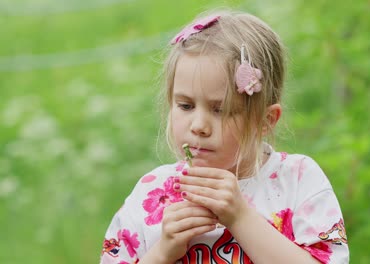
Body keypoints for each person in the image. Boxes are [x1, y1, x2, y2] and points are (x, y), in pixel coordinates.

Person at [100, 9, 349, 264]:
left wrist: (240, 218)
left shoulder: (297, 181)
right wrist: (162, 252)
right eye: (185, 106)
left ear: (265, 121)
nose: (199, 126)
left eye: (220, 110)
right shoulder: (151, 194)